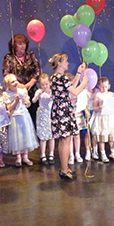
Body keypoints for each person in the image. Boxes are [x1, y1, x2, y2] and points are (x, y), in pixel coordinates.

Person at [48, 53, 88, 181]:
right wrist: (84, 83)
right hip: (63, 110)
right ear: (59, 63)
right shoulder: (61, 78)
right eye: (65, 61)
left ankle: (64, 168)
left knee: (64, 140)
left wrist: (78, 73)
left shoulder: (56, 77)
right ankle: (64, 170)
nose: (68, 63)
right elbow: (75, 91)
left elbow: (71, 85)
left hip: (60, 109)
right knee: (65, 140)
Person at [2, 33, 41, 121]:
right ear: (14, 46)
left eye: (24, 43)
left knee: (33, 116)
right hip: (16, 91)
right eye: (20, 44)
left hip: (31, 90)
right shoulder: (9, 58)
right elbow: (6, 74)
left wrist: (31, 83)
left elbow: (37, 70)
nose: (22, 46)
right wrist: (19, 85)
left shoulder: (30, 55)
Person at [4, 74, 38, 166]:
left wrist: (26, 101)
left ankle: (25, 157)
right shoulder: (6, 94)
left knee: (25, 135)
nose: (15, 83)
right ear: (8, 85)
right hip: (15, 116)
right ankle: (18, 157)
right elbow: (9, 108)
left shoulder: (22, 91)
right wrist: (16, 100)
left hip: (24, 115)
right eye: (12, 82)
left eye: (15, 80)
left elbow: (28, 104)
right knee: (17, 136)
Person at [91, 77, 114, 162]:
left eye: (106, 87)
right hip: (102, 118)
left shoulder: (111, 94)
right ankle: (103, 154)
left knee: (111, 137)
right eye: (102, 87)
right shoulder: (98, 95)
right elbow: (94, 108)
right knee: (102, 137)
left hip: (110, 117)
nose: (104, 89)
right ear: (99, 86)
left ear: (109, 86)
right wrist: (99, 107)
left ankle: (113, 153)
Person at [33, 74, 55, 165]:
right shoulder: (39, 91)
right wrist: (38, 95)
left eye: (46, 84)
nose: (45, 86)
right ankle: (43, 154)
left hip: (51, 115)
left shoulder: (52, 92)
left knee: (51, 136)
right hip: (42, 115)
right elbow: (33, 101)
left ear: (50, 83)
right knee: (43, 137)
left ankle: (51, 154)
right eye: (42, 84)